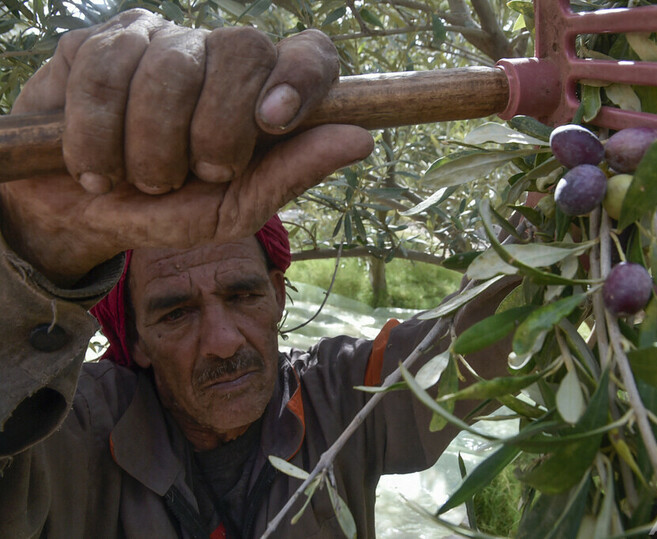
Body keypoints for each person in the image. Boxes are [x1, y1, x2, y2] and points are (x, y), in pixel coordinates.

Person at [0, 9, 512, 539]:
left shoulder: (336, 393)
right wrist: (30, 254)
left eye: (243, 296)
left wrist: (553, 201)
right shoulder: (73, 428)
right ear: (136, 340)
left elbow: (471, 348)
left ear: (277, 296)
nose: (223, 343)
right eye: (176, 313)